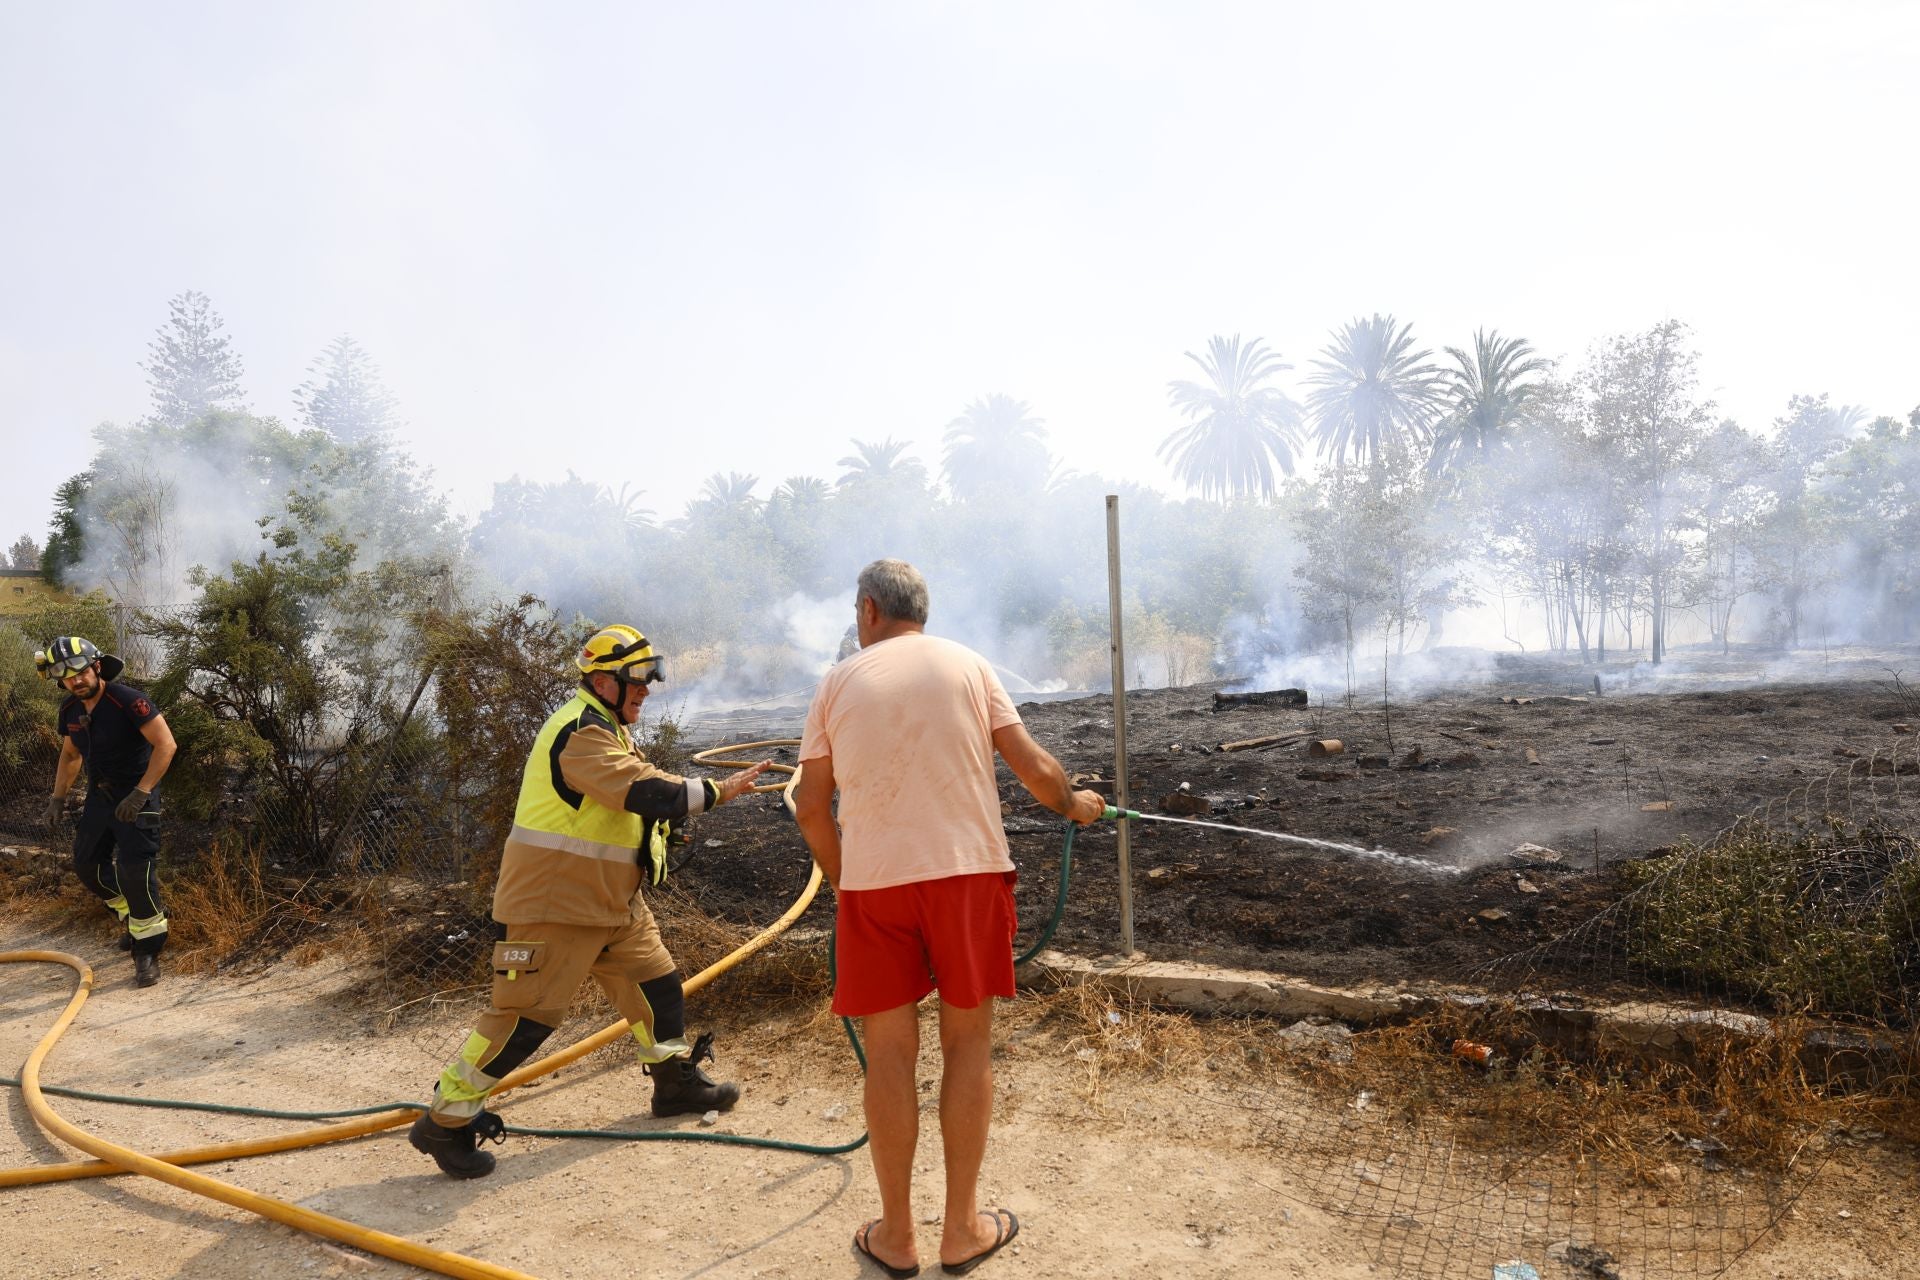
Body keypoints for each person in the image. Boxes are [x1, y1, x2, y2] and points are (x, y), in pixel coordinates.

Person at [792, 560, 1104, 1277]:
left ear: (868, 610)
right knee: (968, 1042)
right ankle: (962, 1230)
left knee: (891, 1051)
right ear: (917, 612)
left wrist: (848, 884)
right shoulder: (969, 665)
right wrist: (1075, 805)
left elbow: (811, 806)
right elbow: (1034, 770)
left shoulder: (837, 683)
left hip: (877, 888)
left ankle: (896, 1236)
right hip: (967, 876)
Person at [409, 623, 771, 1179]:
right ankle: (446, 1119)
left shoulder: (609, 727)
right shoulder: (581, 732)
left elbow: (623, 806)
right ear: (603, 681)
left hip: (612, 904)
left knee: (658, 990)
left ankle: (672, 1086)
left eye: (651, 679)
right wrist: (721, 790)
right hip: (553, 907)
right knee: (523, 1020)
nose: (648, 690)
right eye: (639, 680)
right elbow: (643, 789)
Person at [38, 635, 177, 988]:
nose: (75, 681)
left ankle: (146, 950)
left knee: (134, 871)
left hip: (136, 797)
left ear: (96, 667)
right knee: (87, 866)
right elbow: (71, 755)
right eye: (67, 677)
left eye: (81, 672)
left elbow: (166, 745)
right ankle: (135, 916)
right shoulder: (70, 710)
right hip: (100, 799)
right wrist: (57, 798)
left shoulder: (128, 701)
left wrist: (141, 793)